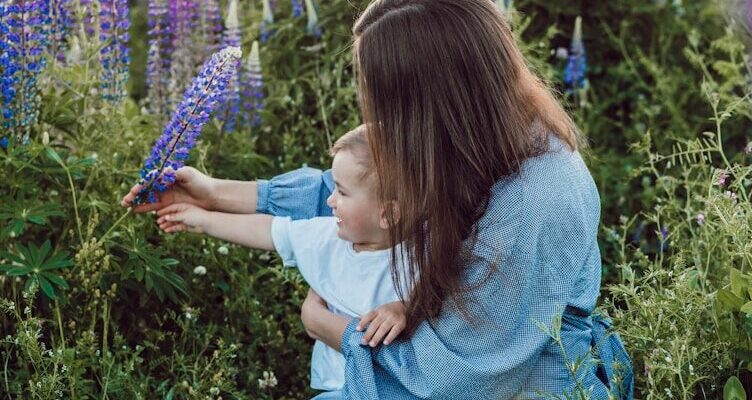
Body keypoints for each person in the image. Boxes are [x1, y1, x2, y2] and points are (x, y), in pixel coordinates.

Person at [123, 0, 634, 398]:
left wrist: (329, 328)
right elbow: (366, 198)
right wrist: (213, 194)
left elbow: (456, 381)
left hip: (524, 387)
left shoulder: (533, 201)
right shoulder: (484, 139)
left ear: (435, 103)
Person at [144, 126, 413, 396]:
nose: (330, 201)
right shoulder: (327, 237)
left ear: (388, 214)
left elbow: (443, 299)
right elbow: (270, 231)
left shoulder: (422, 253)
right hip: (338, 387)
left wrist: (404, 307)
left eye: (342, 193)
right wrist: (202, 220)